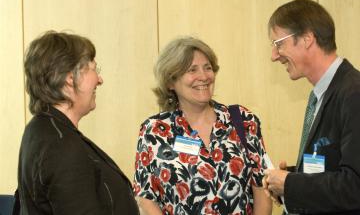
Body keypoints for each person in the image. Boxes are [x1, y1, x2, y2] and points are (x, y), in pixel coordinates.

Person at [133, 37, 272, 215]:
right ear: (170, 82)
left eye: (208, 68)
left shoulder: (243, 120)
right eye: (192, 70)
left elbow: (262, 190)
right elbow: (146, 198)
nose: (204, 77)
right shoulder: (154, 130)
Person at [16, 31, 139, 215]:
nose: (99, 79)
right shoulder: (61, 146)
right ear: (69, 77)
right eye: (93, 69)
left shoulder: (42, 129)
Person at [263, 0, 360, 214]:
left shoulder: (354, 93)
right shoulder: (320, 94)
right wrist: (288, 179)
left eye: (279, 44)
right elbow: (330, 166)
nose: (274, 56)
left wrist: (290, 184)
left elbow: (354, 186)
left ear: (307, 38)